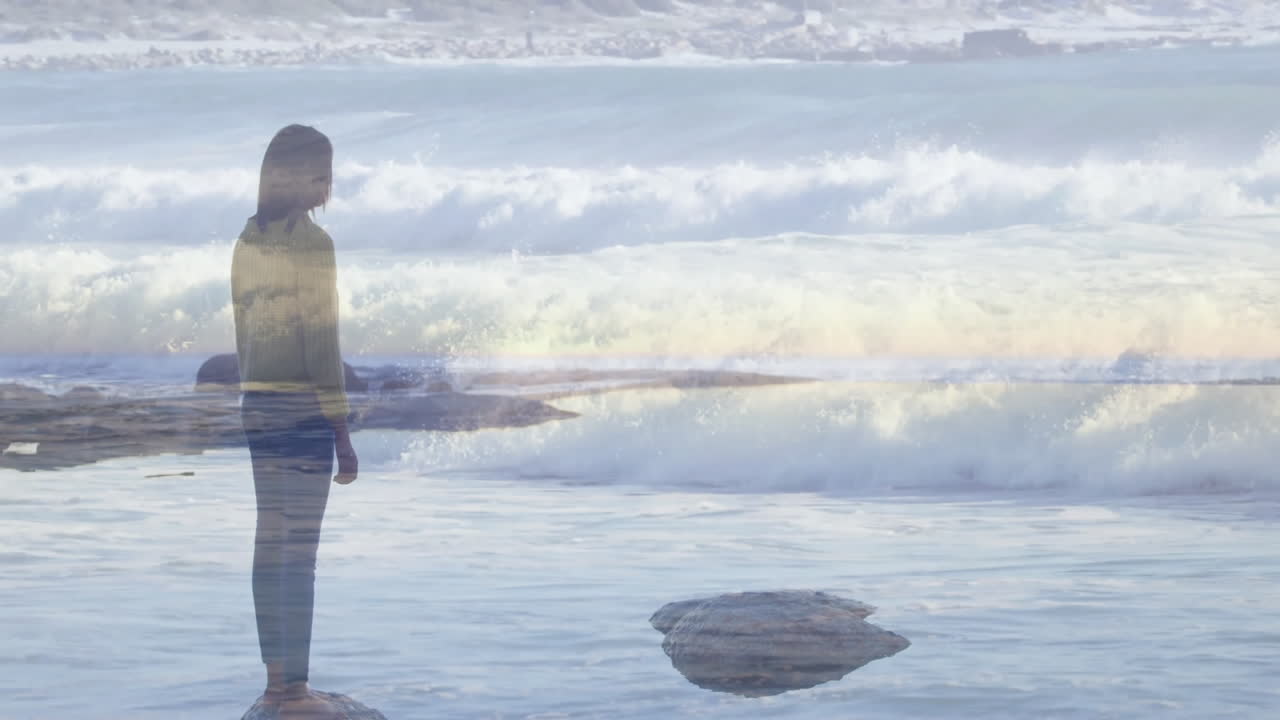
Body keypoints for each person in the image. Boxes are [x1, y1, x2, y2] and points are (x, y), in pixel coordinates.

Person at [232, 124, 359, 718]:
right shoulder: (315, 244)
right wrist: (341, 427)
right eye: (321, 173)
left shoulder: (247, 240)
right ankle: (293, 691)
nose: (327, 185)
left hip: (257, 405)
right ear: (298, 177)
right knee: (298, 551)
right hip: (304, 411)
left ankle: (276, 680)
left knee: (270, 545)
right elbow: (320, 342)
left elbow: (245, 335)